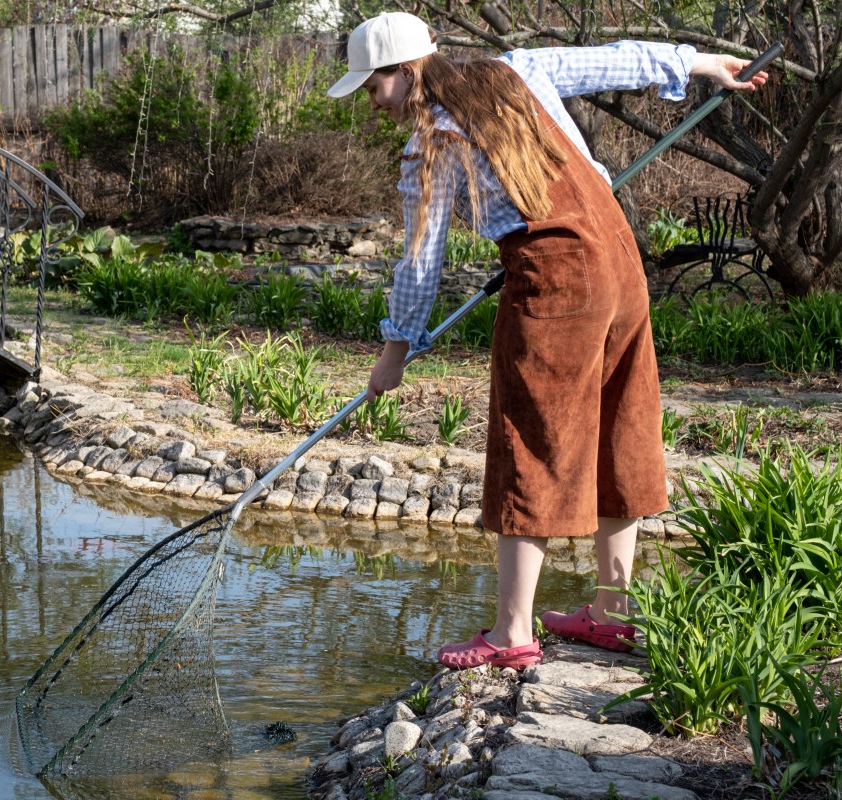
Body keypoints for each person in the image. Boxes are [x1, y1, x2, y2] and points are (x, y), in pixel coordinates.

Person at [328, 12, 768, 669]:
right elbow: (617, 59)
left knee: (530, 439)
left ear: (407, 72)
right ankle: (614, 613)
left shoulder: (433, 143)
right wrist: (701, 62)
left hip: (556, 284)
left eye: (372, 87)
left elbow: (421, 263)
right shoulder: (517, 68)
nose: (372, 103)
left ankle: (511, 635)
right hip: (619, 263)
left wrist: (394, 352)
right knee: (622, 424)